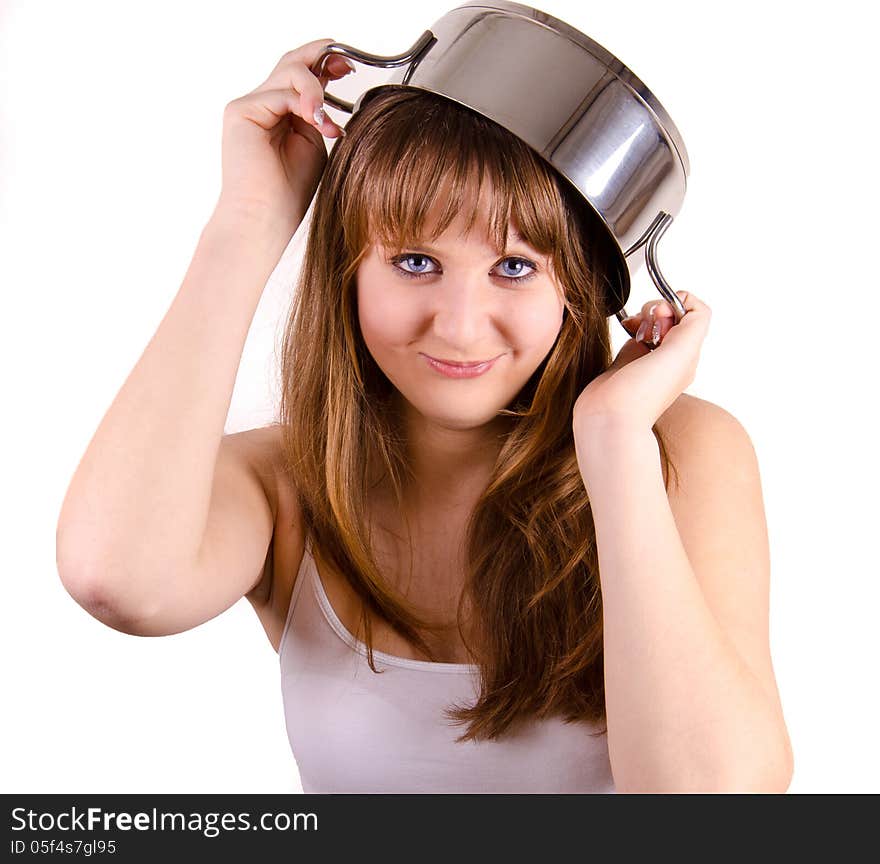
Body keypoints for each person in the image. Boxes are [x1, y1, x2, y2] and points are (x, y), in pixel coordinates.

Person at [56, 38, 794, 793]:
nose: (461, 326)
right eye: (415, 262)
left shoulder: (676, 453)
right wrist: (247, 222)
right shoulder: (288, 484)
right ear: (349, 265)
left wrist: (612, 442)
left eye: (515, 267)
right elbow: (116, 578)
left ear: (575, 287)